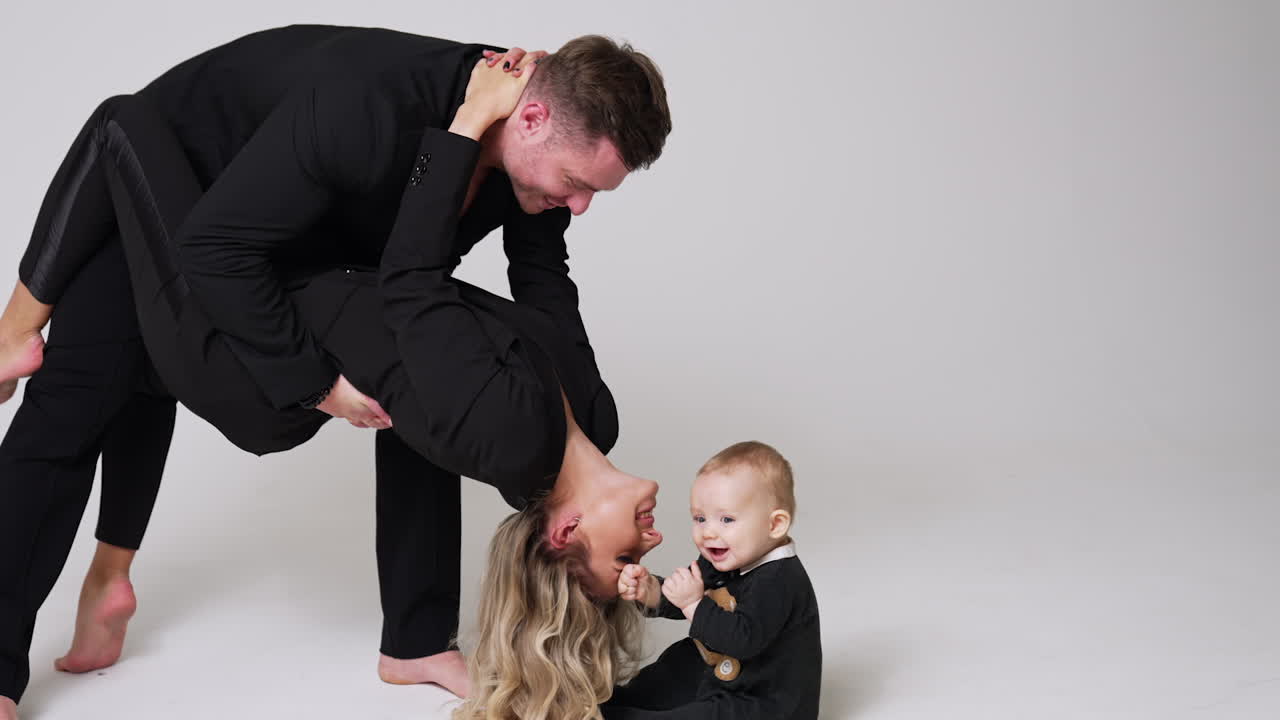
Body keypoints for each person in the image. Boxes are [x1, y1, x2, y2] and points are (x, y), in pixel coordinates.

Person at [0, 25, 671, 718]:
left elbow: (521, 288)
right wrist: (316, 383)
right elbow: (217, 251)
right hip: (192, 178)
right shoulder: (367, 114)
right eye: (575, 183)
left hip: (295, 254)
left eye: (595, 191)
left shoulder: (533, 162)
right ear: (528, 117)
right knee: (79, 391)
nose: (581, 206)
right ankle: (13, 339)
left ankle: (404, 637)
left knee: (160, 369)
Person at [605, 442, 822, 719]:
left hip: (763, 699)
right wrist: (651, 591)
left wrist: (694, 604)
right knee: (677, 665)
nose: (708, 532)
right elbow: (686, 594)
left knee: (713, 713)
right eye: (700, 518)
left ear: (775, 525)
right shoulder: (725, 556)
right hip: (722, 672)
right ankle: (620, 701)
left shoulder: (780, 579)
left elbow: (743, 640)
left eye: (727, 519)